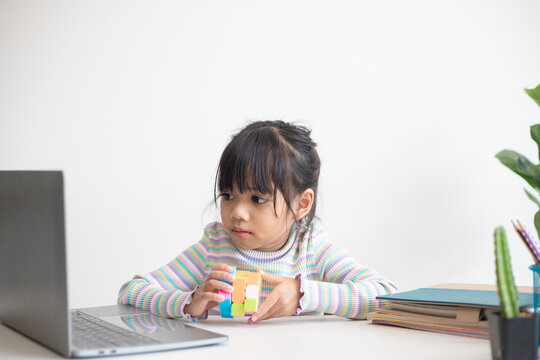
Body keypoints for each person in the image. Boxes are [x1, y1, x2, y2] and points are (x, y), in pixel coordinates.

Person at [118, 120, 397, 323]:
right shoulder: (215, 247)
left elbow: (386, 297)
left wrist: (303, 294)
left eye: (257, 199)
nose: (237, 212)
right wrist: (189, 302)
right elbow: (132, 291)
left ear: (302, 204)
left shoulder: (311, 247)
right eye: (228, 195)